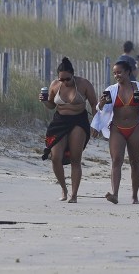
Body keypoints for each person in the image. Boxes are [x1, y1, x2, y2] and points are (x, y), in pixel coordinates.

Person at [92, 59, 139, 204]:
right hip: (117, 129)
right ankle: (115, 194)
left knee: (135, 162)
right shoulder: (111, 90)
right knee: (116, 161)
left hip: (135, 128)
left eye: (119, 72)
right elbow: (103, 110)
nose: (116, 75)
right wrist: (100, 105)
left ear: (127, 72)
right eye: (114, 73)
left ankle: (135, 196)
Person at [39, 57, 97, 203]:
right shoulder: (55, 85)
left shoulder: (84, 84)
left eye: (67, 79)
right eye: (61, 79)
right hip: (60, 121)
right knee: (55, 157)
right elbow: (52, 105)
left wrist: (96, 125)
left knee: (75, 159)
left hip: (79, 121)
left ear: (73, 74)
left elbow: (94, 105)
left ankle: (74, 194)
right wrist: (45, 101)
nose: (64, 82)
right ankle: (64, 190)